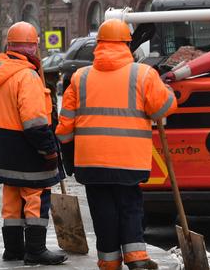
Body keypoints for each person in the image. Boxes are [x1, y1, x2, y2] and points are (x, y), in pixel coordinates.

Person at [56, 19, 177, 270]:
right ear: (127, 44)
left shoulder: (81, 77)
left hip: (91, 163)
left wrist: (69, 156)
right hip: (129, 160)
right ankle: (137, 259)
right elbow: (163, 109)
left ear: (98, 45)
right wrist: (167, 92)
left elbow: (65, 126)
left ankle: (109, 262)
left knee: (102, 212)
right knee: (130, 206)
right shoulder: (142, 74)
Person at [0, 21, 67, 266]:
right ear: (33, 48)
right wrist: (49, 149)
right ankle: (35, 250)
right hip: (27, 148)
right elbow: (34, 122)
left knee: (12, 198)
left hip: (3, 148)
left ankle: (13, 249)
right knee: (36, 198)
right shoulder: (27, 76)